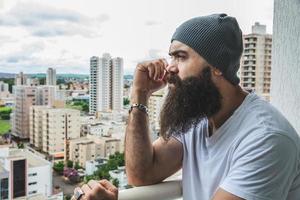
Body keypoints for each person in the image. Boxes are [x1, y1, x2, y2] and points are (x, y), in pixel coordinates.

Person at [73, 13, 300, 200]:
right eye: (171, 57)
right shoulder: (201, 115)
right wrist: (139, 95)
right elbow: (142, 173)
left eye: (180, 57)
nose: (170, 68)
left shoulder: (266, 138)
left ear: (217, 65)